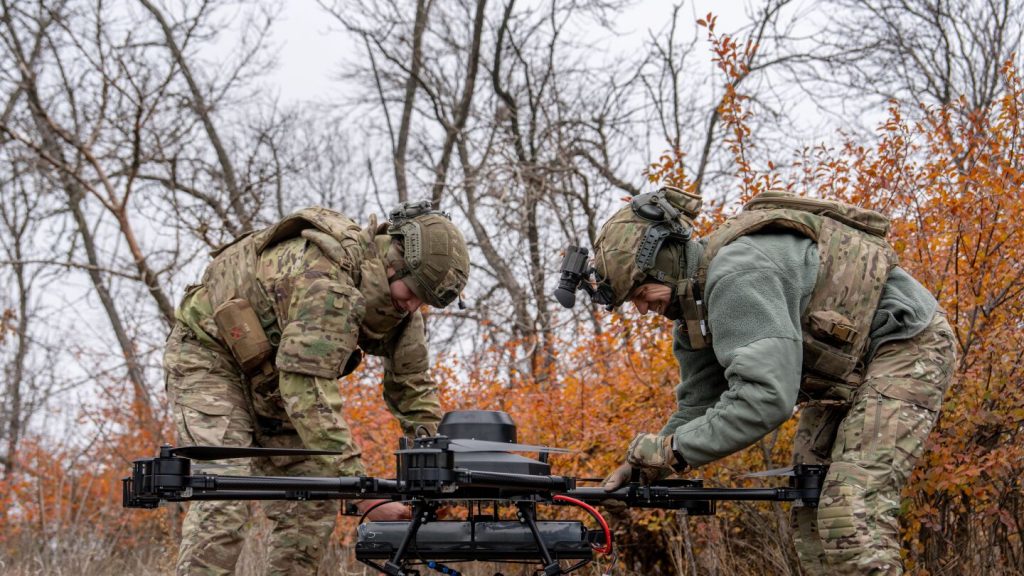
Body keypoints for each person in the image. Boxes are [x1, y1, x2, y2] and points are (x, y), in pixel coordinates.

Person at [565, 187, 956, 575]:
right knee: (812, 502)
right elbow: (698, 406)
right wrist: (643, 468)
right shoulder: (692, 311)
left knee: (849, 510)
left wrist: (672, 450)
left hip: (907, 345)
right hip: (849, 375)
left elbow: (766, 400)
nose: (642, 307)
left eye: (640, 291)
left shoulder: (736, 276)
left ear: (665, 260)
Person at [164, 200, 470, 576]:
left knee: (309, 505)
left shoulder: (401, 307)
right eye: (413, 292)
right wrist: (367, 495)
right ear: (393, 261)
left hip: (276, 382)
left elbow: (413, 390)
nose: (413, 305)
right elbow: (307, 389)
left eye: (425, 301)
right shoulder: (327, 279)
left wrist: (439, 466)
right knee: (224, 494)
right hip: (210, 358)